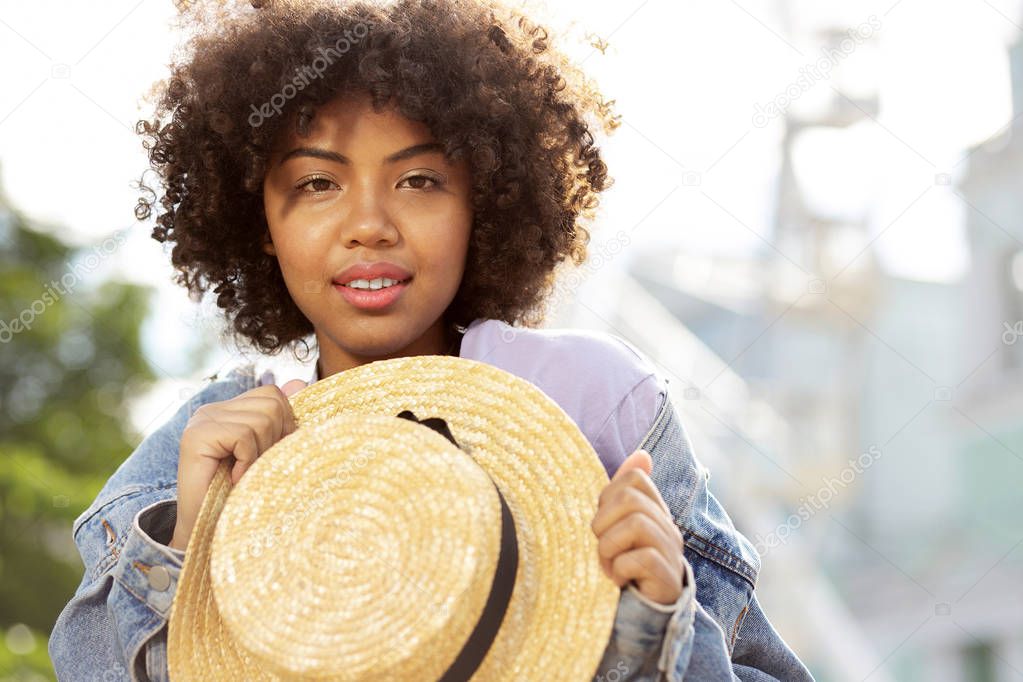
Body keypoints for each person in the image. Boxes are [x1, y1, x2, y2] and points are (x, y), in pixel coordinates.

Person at [47, 0, 814, 679]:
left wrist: (653, 630)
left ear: (484, 201)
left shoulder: (597, 405)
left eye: (419, 181)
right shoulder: (205, 442)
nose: (369, 225)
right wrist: (187, 542)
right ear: (260, 228)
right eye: (317, 183)